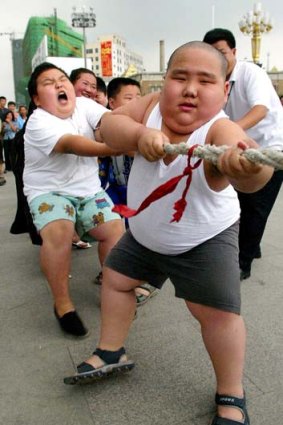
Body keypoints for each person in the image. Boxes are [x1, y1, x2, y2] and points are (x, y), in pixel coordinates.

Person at [64, 41, 274, 425]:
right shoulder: (151, 107)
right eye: (180, 77)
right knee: (115, 279)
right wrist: (137, 135)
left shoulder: (220, 127)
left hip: (203, 240)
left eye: (205, 80)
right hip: (144, 235)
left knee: (215, 316)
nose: (190, 88)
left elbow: (254, 172)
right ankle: (112, 350)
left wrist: (245, 168)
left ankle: (232, 392)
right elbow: (108, 124)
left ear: (225, 91)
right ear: (164, 83)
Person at [23, 62, 125, 338]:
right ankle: (63, 304)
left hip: (89, 189)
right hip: (49, 191)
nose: (58, 84)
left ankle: (110, 288)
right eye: (48, 82)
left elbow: (108, 123)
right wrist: (112, 147)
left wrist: (118, 130)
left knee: (115, 230)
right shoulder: (38, 121)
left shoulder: (84, 105)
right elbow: (71, 144)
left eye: (62, 79)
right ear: (36, 99)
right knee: (60, 231)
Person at [203, 28, 283, 280]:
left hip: (271, 149)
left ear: (234, 52)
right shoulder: (216, 80)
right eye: (212, 53)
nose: (219, 58)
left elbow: (261, 109)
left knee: (256, 207)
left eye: (222, 52)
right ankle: (252, 246)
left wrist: (227, 131)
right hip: (241, 149)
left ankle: (242, 263)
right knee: (239, 203)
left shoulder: (251, 73)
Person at [96, 77, 157, 305]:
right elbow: (102, 139)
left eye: (139, 98)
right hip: (111, 188)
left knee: (136, 233)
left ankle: (136, 280)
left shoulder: (145, 125)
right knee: (114, 232)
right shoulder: (107, 123)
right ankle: (113, 275)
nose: (136, 102)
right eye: (128, 98)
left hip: (136, 190)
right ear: (112, 102)